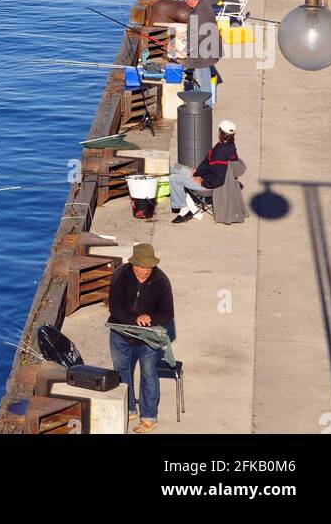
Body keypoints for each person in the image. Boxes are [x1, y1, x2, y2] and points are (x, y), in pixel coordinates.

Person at [107, 243, 175, 434]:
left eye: (148, 267)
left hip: (148, 336)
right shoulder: (120, 275)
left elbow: (167, 313)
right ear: (133, 264)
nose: (145, 271)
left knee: (148, 373)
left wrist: (149, 319)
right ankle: (128, 408)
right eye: (141, 267)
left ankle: (149, 417)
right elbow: (114, 307)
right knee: (120, 371)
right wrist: (133, 319)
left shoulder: (161, 280)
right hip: (121, 332)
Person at [170, 121, 240, 223]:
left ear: (220, 132)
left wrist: (201, 180)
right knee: (175, 168)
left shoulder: (221, 153)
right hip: (202, 174)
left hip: (206, 184)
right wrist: (198, 171)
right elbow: (212, 166)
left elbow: (218, 178)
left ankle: (184, 208)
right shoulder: (228, 145)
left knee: (174, 178)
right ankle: (189, 205)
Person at [181, 0, 222, 105]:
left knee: (201, 79)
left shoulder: (196, 14)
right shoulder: (204, 4)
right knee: (203, 76)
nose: (185, 2)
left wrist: (185, 50)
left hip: (202, 52)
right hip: (210, 47)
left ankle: (207, 105)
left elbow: (194, 38)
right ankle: (200, 101)